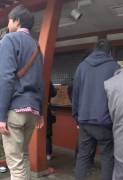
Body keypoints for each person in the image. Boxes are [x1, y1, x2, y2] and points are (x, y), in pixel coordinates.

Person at [0, 5, 44, 180]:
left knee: (15, 165)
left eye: (9, 20)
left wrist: (1, 116)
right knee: (24, 156)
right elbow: (41, 81)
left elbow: (5, 78)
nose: (8, 23)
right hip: (32, 111)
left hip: (14, 111)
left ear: (16, 21)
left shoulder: (9, 39)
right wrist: (40, 112)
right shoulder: (36, 46)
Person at [72, 39, 119, 180]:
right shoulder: (115, 67)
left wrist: (76, 116)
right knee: (107, 157)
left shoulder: (82, 66)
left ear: (95, 49)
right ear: (109, 51)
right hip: (105, 122)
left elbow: (76, 93)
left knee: (83, 157)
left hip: (85, 120)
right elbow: (117, 96)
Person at [46, 82, 57, 160]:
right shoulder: (48, 81)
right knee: (47, 134)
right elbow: (54, 93)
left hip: (35, 109)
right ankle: (48, 154)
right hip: (47, 109)